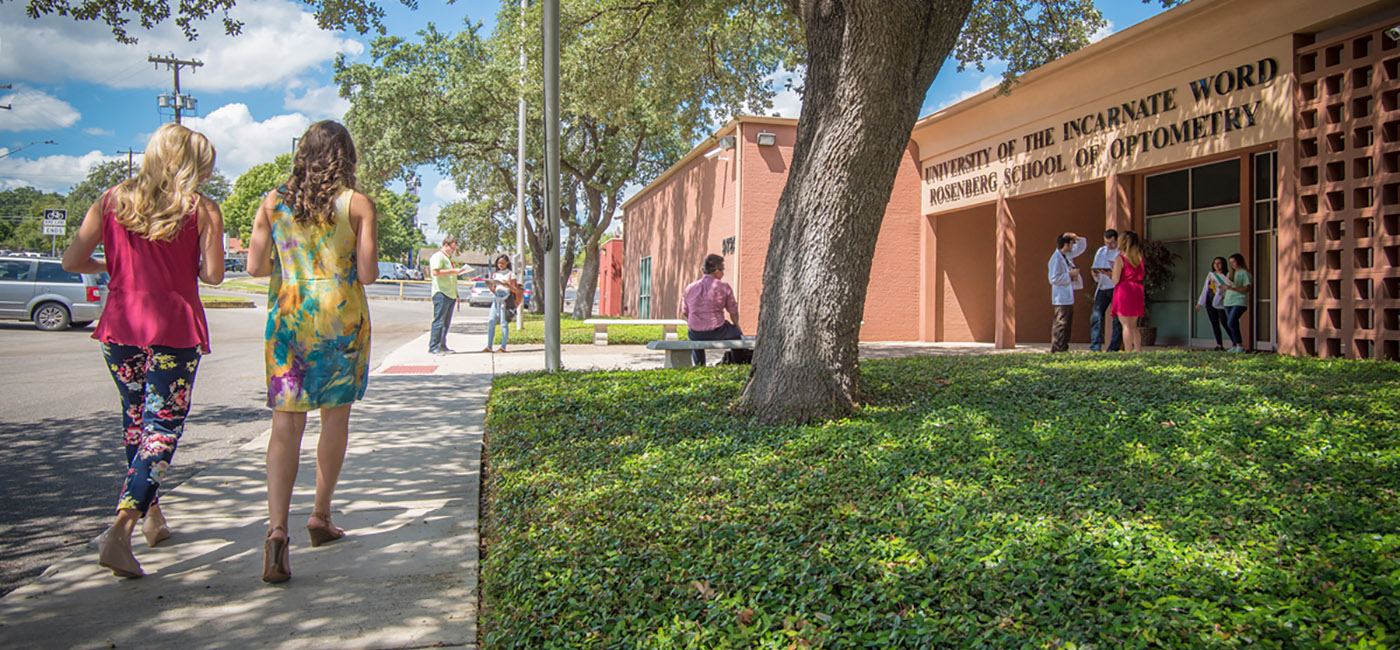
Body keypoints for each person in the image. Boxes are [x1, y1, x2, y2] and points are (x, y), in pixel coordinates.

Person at [61, 123, 224, 578]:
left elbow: (72, 260)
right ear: (191, 164)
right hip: (173, 326)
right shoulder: (202, 209)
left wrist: (113, 263)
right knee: (162, 428)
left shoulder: (112, 200)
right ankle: (122, 528)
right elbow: (212, 276)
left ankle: (153, 517)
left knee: (135, 423)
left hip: (120, 324)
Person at [247, 120, 379, 583]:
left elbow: (255, 266)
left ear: (302, 152)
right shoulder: (356, 205)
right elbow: (366, 274)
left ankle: (276, 530)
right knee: (334, 420)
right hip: (340, 321)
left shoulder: (272, 202)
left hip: (289, 319)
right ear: (345, 154)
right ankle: (320, 516)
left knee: (285, 426)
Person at [681, 253, 743, 366]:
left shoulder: (689, 288)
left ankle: (700, 365)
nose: (723, 273)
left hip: (695, 333)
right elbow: (733, 311)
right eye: (722, 270)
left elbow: (685, 312)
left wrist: (697, 324)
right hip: (717, 331)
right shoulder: (724, 287)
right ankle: (739, 363)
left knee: (695, 337)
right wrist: (736, 325)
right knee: (737, 334)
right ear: (716, 271)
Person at [1047, 231, 1086, 353]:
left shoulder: (1066, 255)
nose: (1073, 246)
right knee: (1061, 323)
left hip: (1068, 296)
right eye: (1071, 243)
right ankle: (1057, 348)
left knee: (1067, 323)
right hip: (1061, 297)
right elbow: (1053, 279)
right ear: (1066, 245)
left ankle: (1063, 347)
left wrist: (1076, 238)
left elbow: (1081, 248)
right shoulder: (1056, 259)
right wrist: (1070, 274)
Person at [428, 237, 467, 355]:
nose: (453, 251)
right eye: (452, 248)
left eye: (455, 249)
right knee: (439, 321)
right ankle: (434, 346)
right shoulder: (438, 257)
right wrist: (454, 271)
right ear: (445, 245)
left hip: (450, 294)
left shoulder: (447, 258)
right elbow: (435, 272)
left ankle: (442, 345)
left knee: (446, 322)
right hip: (441, 293)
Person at [1088, 229, 1123, 352]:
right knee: (1096, 317)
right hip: (1102, 288)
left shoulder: (1121, 252)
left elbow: (1122, 273)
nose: (1109, 246)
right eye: (1106, 242)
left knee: (1117, 319)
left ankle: (1113, 348)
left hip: (1115, 288)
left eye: (1111, 243)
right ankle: (1095, 346)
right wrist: (1095, 273)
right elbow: (1095, 267)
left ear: (1116, 240)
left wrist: (1110, 274)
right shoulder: (1101, 251)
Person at [1111, 230, 1147, 352]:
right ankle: (1138, 350)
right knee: (1134, 325)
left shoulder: (1120, 259)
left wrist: (1110, 274)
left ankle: (1128, 352)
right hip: (1137, 290)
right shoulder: (1139, 258)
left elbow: (1116, 280)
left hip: (1124, 291)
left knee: (1125, 324)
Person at [483, 253, 521, 353]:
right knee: (491, 321)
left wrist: (507, 285)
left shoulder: (510, 274)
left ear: (507, 263)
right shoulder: (496, 274)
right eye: (499, 263)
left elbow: (516, 290)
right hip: (496, 298)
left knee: (503, 322)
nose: (500, 265)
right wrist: (489, 285)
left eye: (502, 263)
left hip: (506, 298)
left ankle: (503, 346)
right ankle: (489, 346)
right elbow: (494, 290)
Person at [1194, 256, 1233, 350]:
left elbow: (1229, 287)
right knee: (1214, 323)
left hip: (1221, 302)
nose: (1217, 265)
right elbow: (1205, 289)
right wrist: (1200, 302)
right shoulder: (1211, 275)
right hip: (1210, 301)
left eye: (1219, 263)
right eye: (1215, 263)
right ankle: (1219, 344)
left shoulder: (1227, 275)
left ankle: (1235, 342)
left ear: (1223, 264)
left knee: (1225, 322)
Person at [1220, 253, 1252, 352]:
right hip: (1228, 301)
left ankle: (1239, 344)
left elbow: (1247, 288)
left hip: (1239, 300)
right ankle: (1235, 345)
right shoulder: (1230, 274)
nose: (1232, 264)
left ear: (1239, 261)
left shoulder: (1244, 273)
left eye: (1234, 262)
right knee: (1232, 323)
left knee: (1231, 321)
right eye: (1231, 263)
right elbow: (1226, 287)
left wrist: (1232, 288)